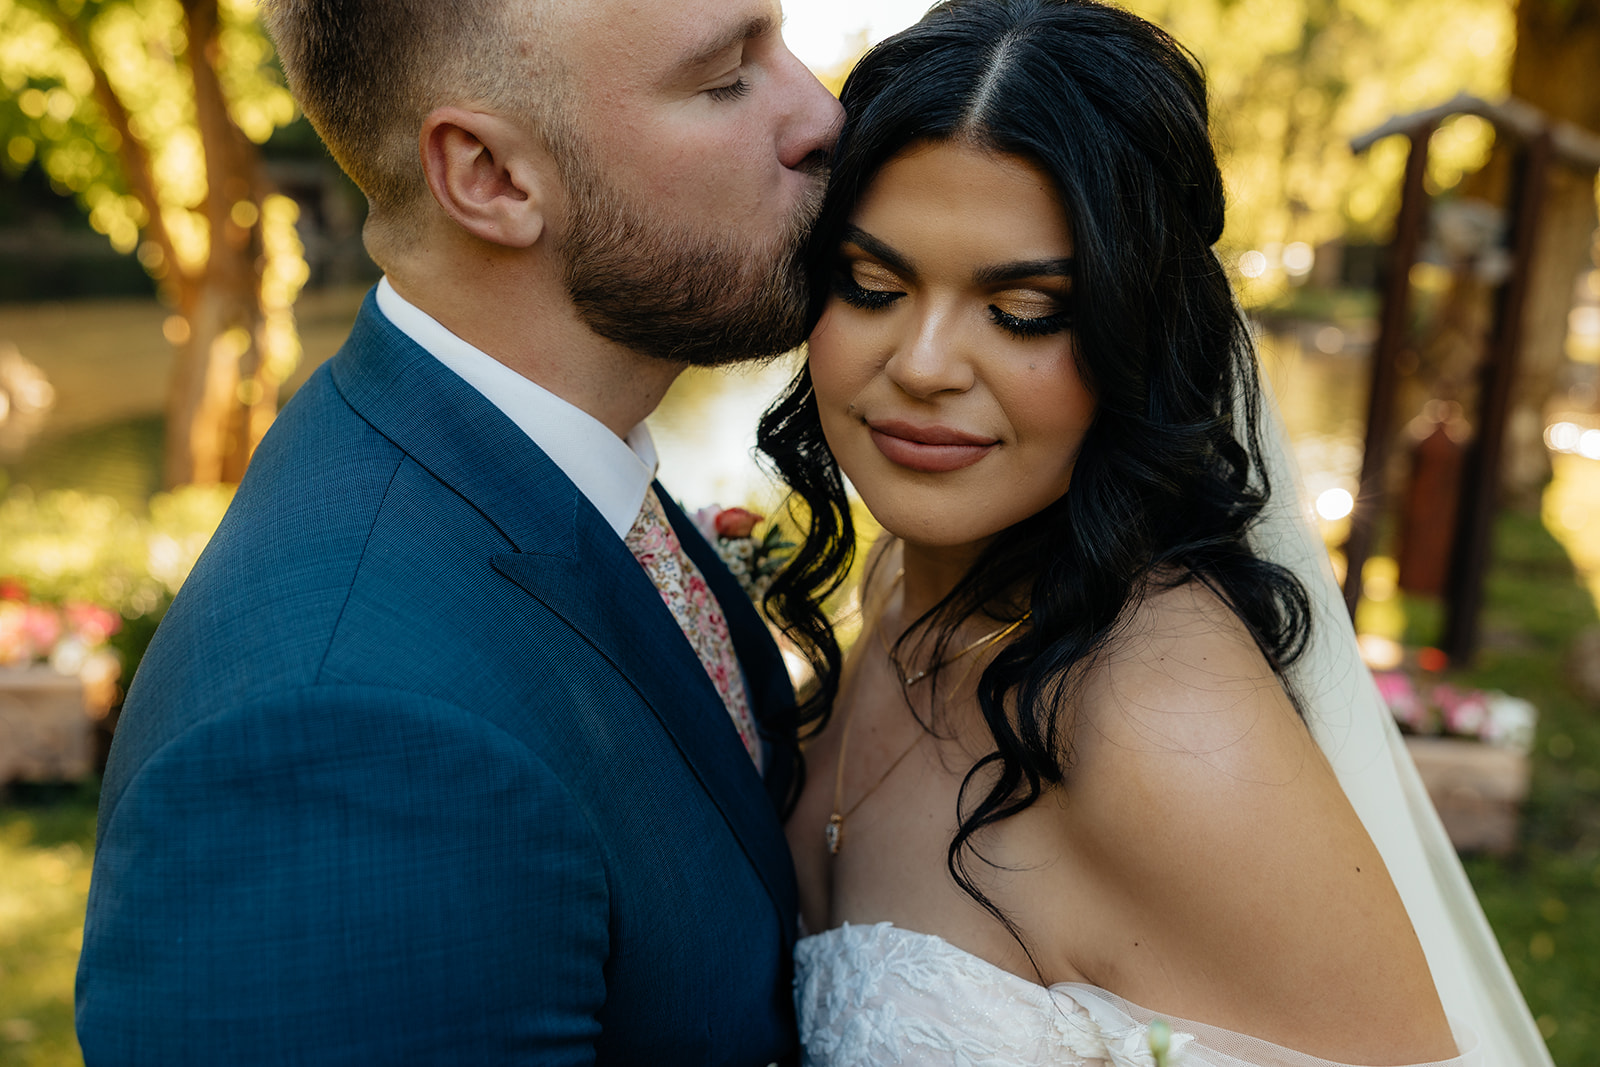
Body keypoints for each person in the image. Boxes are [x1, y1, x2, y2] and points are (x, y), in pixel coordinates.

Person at [756, 1, 1553, 1063]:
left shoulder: (1161, 720)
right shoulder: (909, 585)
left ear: (1138, 334)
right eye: (872, 285)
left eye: (1024, 308)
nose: (926, 362)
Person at [75, 0, 840, 1062]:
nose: (820, 115)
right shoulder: (342, 741)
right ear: (489, 176)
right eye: (724, 79)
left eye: (779, 43)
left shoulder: (548, 473)